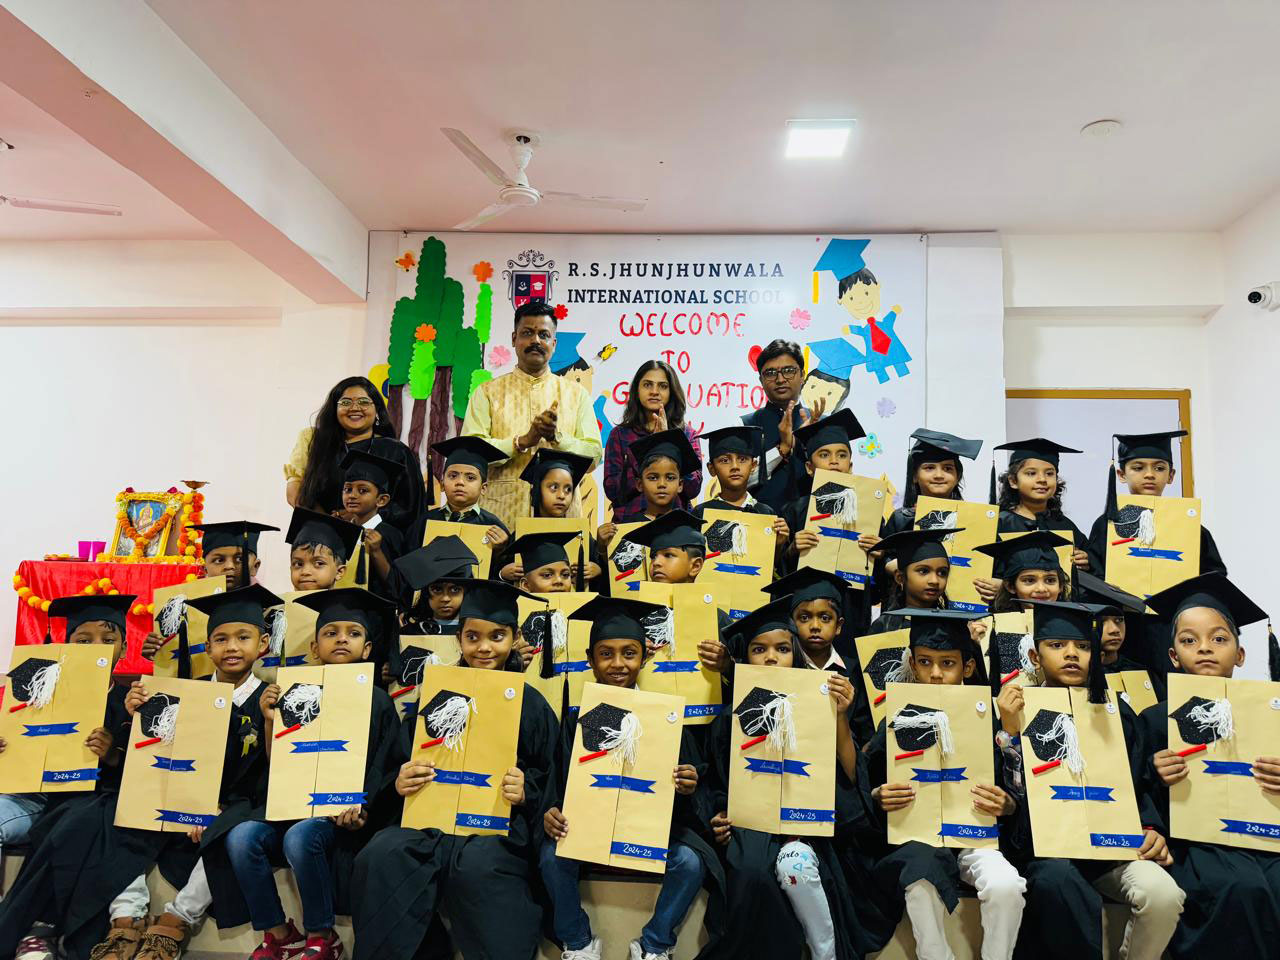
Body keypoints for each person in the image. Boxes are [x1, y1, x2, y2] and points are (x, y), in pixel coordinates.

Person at [349, 580, 559, 960]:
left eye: (497, 636)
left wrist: (527, 790)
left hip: (493, 826)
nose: (484, 647)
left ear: (514, 638)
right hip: (428, 822)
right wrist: (398, 782)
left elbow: (550, 775)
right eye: (472, 637)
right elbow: (398, 760)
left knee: (478, 866)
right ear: (458, 639)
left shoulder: (531, 704)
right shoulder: (434, 695)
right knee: (381, 854)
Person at [201, 588, 400, 960]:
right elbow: (278, 761)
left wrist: (363, 806)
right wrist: (268, 720)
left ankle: (322, 935)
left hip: (340, 814)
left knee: (300, 837)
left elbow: (384, 765)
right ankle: (279, 934)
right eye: (331, 633)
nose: (341, 639)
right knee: (241, 837)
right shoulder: (294, 693)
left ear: (368, 649)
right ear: (314, 648)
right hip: (291, 806)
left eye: (353, 633)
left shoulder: (379, 701)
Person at [86, 585, 278, 960]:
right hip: (186, 797)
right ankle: (127, 915)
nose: (232, 647)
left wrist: (217, 809)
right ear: (207, 648)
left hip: (241, 803)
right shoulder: (187, 692)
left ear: (263, 644)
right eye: (220, 639)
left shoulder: (269, 698)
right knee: (120, 810)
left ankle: (177, 920)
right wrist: (137, 714)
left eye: (243, 637)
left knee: (230, 829)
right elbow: (160, 754)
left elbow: (271, 775)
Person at [994, 600, 1184, 960]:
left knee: (1163, 895)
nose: (1071, 654)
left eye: (1083, 646)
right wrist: (1010, 730)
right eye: (1057, 645)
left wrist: (1150, 827)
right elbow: (1011, 793)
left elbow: (1137, 783)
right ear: (1035, 657)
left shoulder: (1116, 714)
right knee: (1058, 882)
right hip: (1047, 852)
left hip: (1110, 851)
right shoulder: (1016, 710)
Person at [540, 595, 725, 960]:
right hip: (590, 830)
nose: (618, 664)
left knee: (689, 861)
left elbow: (692, 788)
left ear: (644, 657)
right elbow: (558, 786)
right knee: (550, 855)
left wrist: (688, 785)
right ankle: (578, 943)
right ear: (590, 659)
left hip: (647, 831)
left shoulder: (666, 716)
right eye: (605, 654)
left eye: (629, 653)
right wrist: (551, 812)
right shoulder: (576, 719)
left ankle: (655, 944)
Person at [704, 598, 872, 960]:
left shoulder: (820, 707)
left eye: (782, 649)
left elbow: (849, 775)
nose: (770, 658)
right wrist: (718, 813)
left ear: (796, 655)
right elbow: (718, 783)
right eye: (759, 649)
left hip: (806, 823)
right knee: (751, 872)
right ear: (745, 658)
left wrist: (840, 718)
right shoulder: (730, 717)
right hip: (751, 824)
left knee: (795, 862)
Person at [864, 608, 1026, 960]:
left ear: (968, 667)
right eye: (925, 662)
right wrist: (878, 794)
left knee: (1006, 886)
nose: (935, 673)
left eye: (947, 663)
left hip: (974, 834)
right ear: (912, 663)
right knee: (919, 878)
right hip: (917, 836)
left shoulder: (991, 715)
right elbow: (869, 781)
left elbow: (1014, 790)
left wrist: (1008, 803)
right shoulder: (895, 716)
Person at [0, 595, 155, 960]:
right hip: (34, 795)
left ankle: (39, 927)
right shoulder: (38, 695)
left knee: (78, 819)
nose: (96, 647)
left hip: (89, 798)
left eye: (108, 639)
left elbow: (139, 771)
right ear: (66, 646)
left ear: (124, 647)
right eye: (83, 640)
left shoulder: (132, 700)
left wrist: (112, 753)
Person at [1138, 574, 1280, 959]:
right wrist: (1154, 773)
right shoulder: (1155, 720)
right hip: (1195, 842)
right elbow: (1135, 793)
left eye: (1219, 639)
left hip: (1264, 838)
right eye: (1189, 641)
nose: (1204, 648)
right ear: (1173, 656)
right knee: (1240, 888)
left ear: (1240, 654)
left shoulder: (1271, 715)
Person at [459, 303, 602, 527]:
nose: (536, 340)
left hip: (562, 523)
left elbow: (594, 456)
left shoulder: (576, 395)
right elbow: (470, 455)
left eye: (544, 335)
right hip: (500, 520)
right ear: (514, 338)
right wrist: (521, 442)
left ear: (554, 344)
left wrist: (556, 438)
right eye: (527, 333)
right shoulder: (487, 393)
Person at [286, 376, 426, 531]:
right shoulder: (314, 442)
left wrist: (362, 517)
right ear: (335, 409)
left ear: (377, 410)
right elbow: (295, 494)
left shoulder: (395, 451)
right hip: (319, 534)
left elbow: (410, 506)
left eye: (364, 402)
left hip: (376, 537)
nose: (354, 408)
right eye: (345, 402)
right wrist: (330, 524)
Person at [870, 429, 982, 611]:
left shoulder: (974, 520)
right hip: (906, 608)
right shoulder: (902, 518)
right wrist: (892, 564)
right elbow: (882, 567)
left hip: (960, 609)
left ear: (958, 476)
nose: (939, 475)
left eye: (948, 468)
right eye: (929, 468)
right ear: (915, 476)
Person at [976, 438, 1095, 605]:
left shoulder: (1064, 525)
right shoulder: (999, 524)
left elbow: (1090, 571)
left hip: (1056, 612)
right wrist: (1001, 586)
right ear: (1013, 481)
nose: (1042, 479)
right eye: (1031, 473)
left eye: (1049, 473)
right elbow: (980, 569)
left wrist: (1086, 561)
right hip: (1008, 611)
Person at [603, 360, 703, 521]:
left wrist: (670, 441)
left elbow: (693, 488)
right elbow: (612, 490)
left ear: (672, 391)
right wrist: (647, 448)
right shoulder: (620, 435)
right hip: (629, 524)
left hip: (676, 524)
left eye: (662, 386)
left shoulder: (687, 434)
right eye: (647, 385)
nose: (654, 392)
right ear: (637, 390)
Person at [497, 448, 603, 587]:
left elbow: (604, 578)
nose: (561, 495)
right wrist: (502, 574)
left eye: (568, 489)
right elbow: (495, 577)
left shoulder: (582, 535)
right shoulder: (521, 535)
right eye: (553, 487)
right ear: (536, 491)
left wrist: (598, 570)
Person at [742, 339, 824, 515]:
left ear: (802, 375)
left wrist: (811, 442)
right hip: (760, 523)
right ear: (761, 380)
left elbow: (839, 477)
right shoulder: (745, 426)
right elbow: (737, 482)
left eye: (788, 371)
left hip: (814, 523)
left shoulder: (823, 423)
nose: (780, 379)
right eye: (770, 373)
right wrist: (782, 449)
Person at [416, 435, 512, 563]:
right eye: (453, 476)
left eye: (470, 478)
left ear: (483, 488)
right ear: (442, 484)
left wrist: (500, 550)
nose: (460, 482)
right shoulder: (425, 521)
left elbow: (507, 567)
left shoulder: (493, 526)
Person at [973, 530, 1074, 613]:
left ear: (1060, 586)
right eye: (1029, 580)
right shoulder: (995, 625)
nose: (1041, 589)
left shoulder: (1075, 626)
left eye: (1050, 580)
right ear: (1010, 586)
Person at [285, 508, 360, 593]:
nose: (305, 572)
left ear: (339, 572)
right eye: (298, 564)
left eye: (319, 563)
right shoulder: (281, 602)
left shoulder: (348, 602)